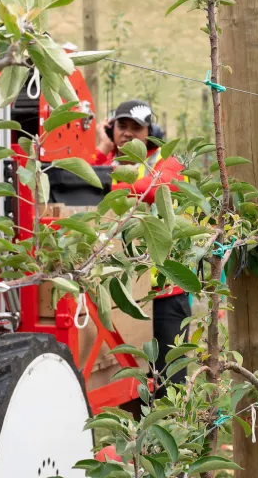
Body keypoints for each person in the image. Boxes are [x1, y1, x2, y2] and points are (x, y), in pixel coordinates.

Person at [96, 99, 189, 397]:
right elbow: (76, 185)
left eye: (136, 127)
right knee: (130, 384)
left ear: (151, 131)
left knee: (169, 379)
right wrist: (102, 148)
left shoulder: (168, 158)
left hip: (163, 289)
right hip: (123, 291)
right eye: (121, 126)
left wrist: (113, 186)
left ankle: (178, 436)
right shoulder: (108, 163)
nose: (127, 134)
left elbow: (159, 186)